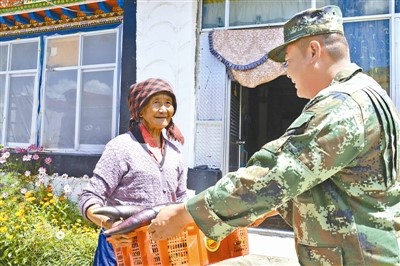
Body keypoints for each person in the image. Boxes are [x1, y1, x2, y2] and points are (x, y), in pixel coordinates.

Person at [148, 5, 400, 265]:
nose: (287, 73)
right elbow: (338, 185)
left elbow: (276, 174)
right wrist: (269, 206)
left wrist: (186, 213)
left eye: (288, 62)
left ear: (314, 51)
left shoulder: (340, 104)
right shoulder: (368, 93)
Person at [78, 78, 187, 265]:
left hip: (161, 250)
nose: (163, 109)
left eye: (168, 103)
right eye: (156, 103)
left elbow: (181, 199)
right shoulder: (121, 148)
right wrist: (112, 226)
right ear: (141, 111)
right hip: (120, 249)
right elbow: (88, 198)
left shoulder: (175, 153)